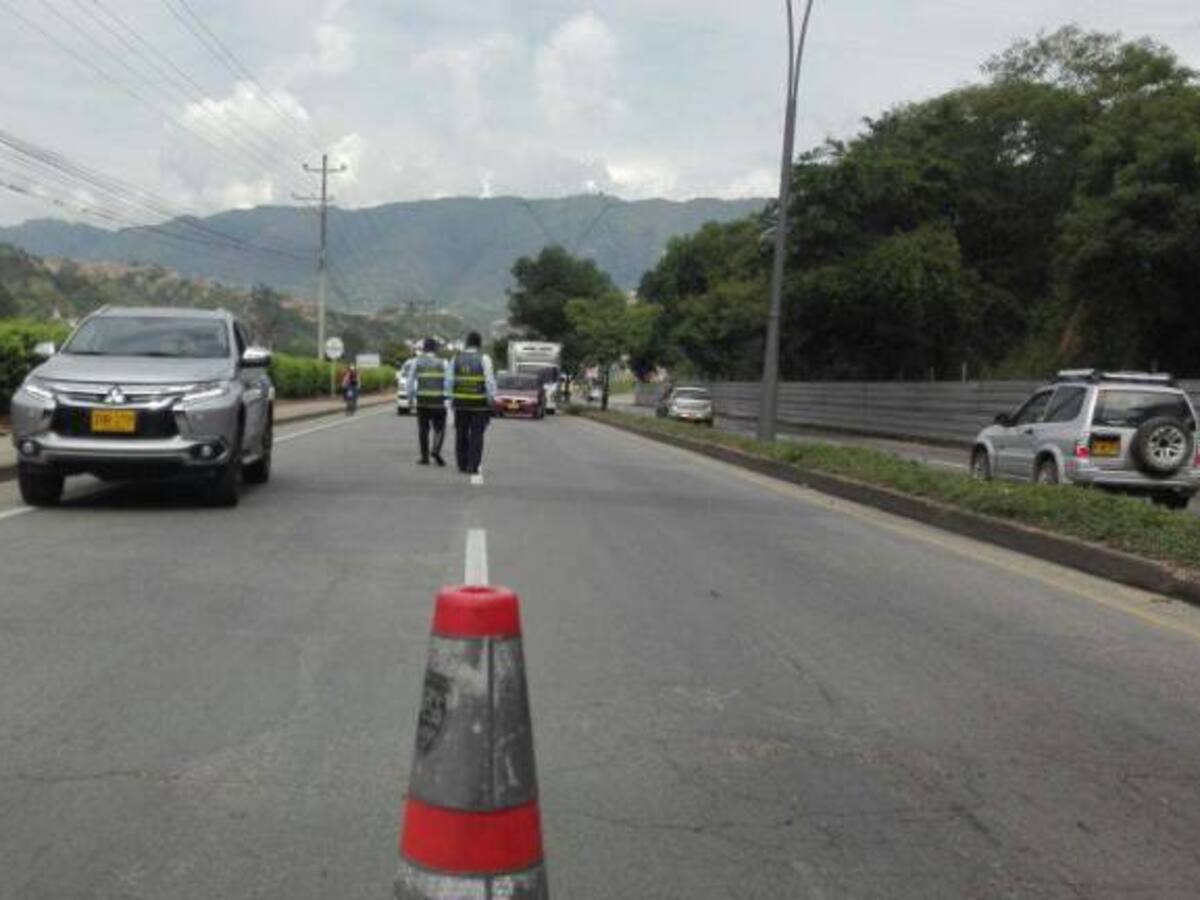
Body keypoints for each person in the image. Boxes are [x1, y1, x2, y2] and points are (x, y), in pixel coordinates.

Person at [446, 331, 496, 475]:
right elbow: (489, 381)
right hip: (479, 404)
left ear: (467, 343)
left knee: (461, 433)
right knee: (477, 435)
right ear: (479, 343)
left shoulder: (455, 359)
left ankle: (462, 464)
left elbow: (449, 381)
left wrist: (450, 399)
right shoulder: (484, 358)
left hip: (460, 403)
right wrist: (491, 399)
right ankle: (473, 465)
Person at [407, 338, 449, 466]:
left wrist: (410, 398)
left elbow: (410, 381)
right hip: (438, 401)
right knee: (440, 428)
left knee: (423, 429)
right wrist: (447, 398)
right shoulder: (443, 363)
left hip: (422, 400)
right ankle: (436, 449)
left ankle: (424, 457)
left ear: (424, 349)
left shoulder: (416, 362)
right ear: (435, 349)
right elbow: (448, 382)